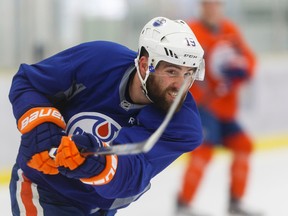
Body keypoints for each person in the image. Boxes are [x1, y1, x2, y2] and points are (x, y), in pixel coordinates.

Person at [9, 17, 206, 216]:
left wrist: (95, 163)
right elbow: (29, 82)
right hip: (44, 190)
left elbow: (133, 173)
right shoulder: (98, 59)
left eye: (188, 73)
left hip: (100, 208)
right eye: (172, 71)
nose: (181, 85)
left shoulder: (184, 125)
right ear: (145, 65)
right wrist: (41, 127)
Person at [176, 0, 258, 215]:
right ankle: (183, 203)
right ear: (201, 7)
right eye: (208, 4)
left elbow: (249, 59)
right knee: (203, 151)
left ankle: (235, 202)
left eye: (216, 4)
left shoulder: (230, 30)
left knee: (243, 145)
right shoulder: (190, 32)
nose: (212, 8)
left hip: (226, 110)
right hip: (202, 107)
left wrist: (243, 69)